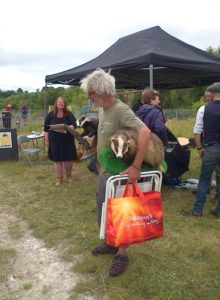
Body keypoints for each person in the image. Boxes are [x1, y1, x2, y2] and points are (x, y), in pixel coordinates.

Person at [80, 68, 151, 276]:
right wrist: (94, 141)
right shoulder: (102, 109)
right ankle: (111, 244)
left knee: (122, 214)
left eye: (90, 93)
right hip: (104, 173)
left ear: (102, 91)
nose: (88, 97)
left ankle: (122, 254)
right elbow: (106, 132)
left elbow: (145, 132)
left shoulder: (121, 110)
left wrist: (136, 167)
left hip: (119, 175)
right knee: (105, 212)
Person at [182, 82, 220, 218]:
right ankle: (219, 211)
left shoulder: (204, 109)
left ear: (212, 94)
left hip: (212, 147)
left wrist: (200, 147)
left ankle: (197, 210)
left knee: (205, 179)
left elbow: (197, 132)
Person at [44, 96, 77, 186]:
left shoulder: (69, 114)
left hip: (67, 141)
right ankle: (59, 179)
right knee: (57, 160)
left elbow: (74, 124)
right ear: (56, 104)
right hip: (55, 141)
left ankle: (69, 176)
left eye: (62, 102)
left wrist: (70, 127)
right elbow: (46, 128)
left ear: (64, 104)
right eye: (59, 102)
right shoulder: (50, 114)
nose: (61, 103)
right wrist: (46, 140)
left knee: (68, 160)